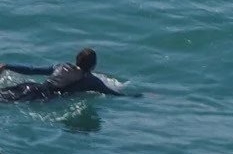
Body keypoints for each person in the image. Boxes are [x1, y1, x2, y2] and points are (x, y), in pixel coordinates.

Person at [0, 47, 141, 103]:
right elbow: (114, 94)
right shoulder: (91, 81)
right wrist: (139, 96)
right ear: (93, 66)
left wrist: (7, 66)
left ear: (76, 59)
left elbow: (32, 70)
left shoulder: (61, 66)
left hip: (30, 87)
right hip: (41, 96)